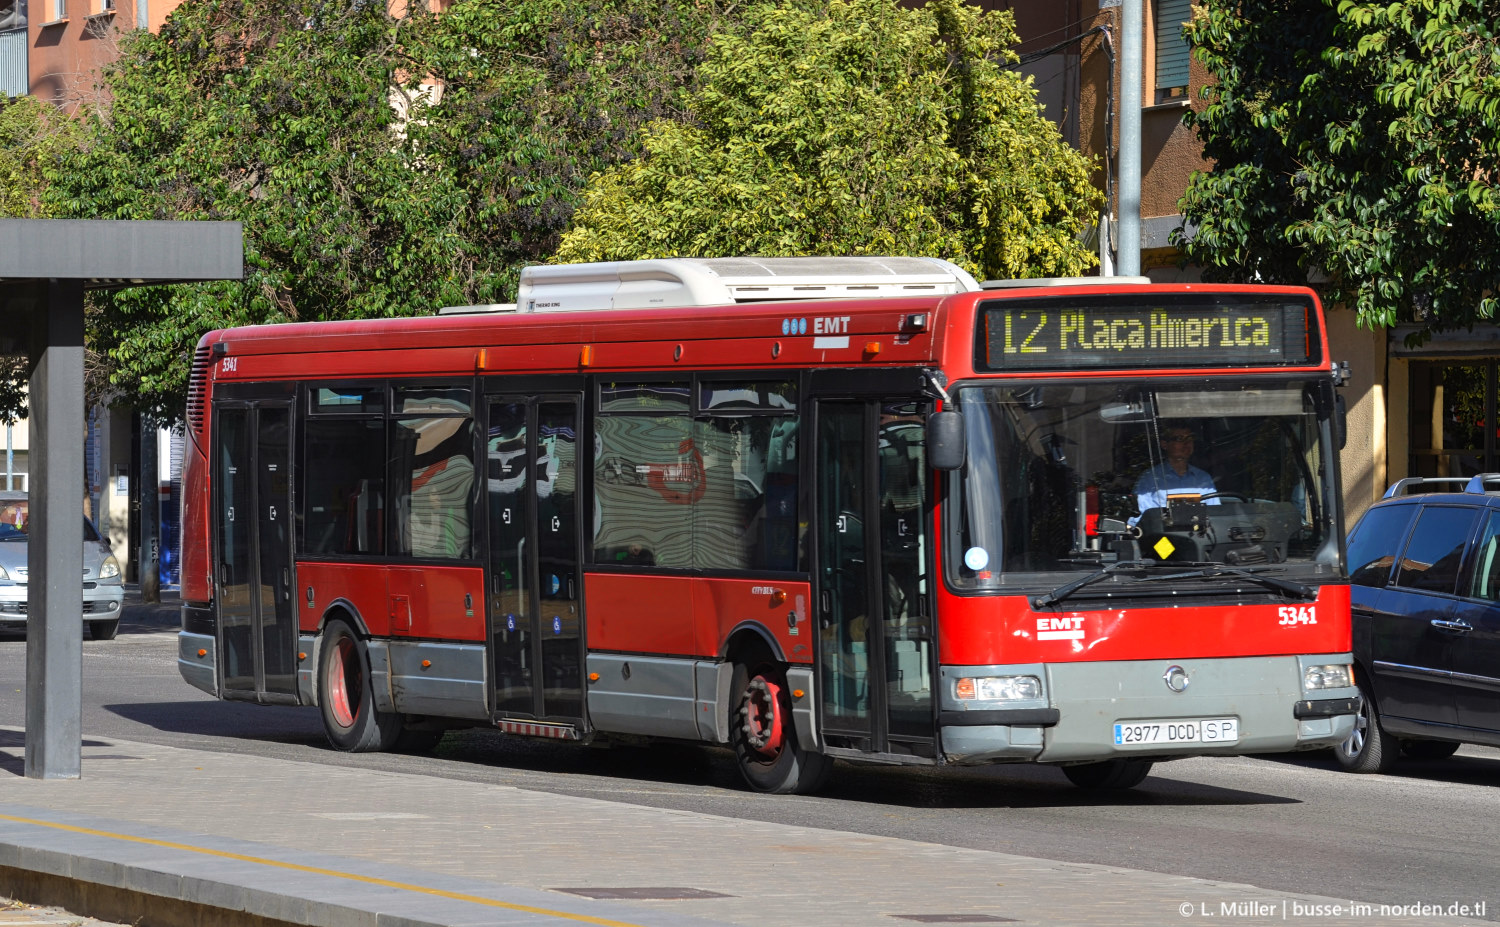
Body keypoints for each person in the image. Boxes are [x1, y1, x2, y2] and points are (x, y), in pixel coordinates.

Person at [1134, 425, 1219, 516]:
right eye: (1179, 439)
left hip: (1201, 530)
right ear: (1164, 444)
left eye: (1190, 438)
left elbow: (1216, 514)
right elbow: (1142, 518)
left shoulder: (1203, 478)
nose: (1187, 443)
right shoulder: (1149, 478)